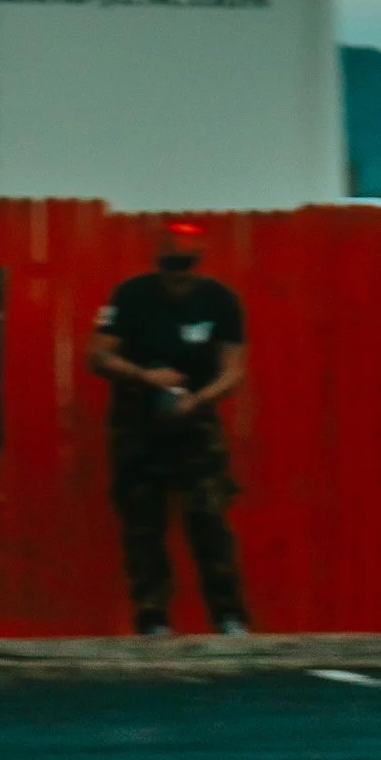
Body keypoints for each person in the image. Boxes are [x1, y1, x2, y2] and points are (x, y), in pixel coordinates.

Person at [88, 223, 249, 638]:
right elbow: (98, 355)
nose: (179, 274)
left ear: (199, 264)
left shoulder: (220, 301)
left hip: (196, 419)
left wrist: (197, 399)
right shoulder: (131, 296)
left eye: (187, 264)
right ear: (159, 263)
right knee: (143, 521)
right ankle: (152, 617)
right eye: (171, 264)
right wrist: (146, 376)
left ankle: (229, 615)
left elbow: (234, 370)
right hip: (138, 420)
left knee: (209, 517)